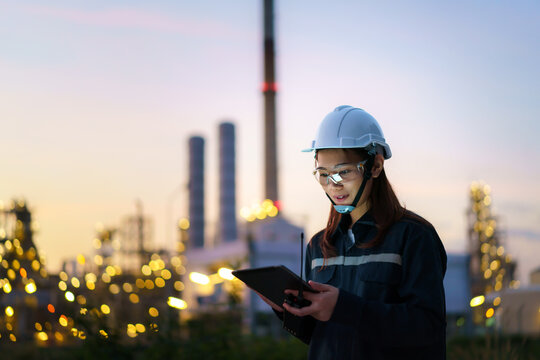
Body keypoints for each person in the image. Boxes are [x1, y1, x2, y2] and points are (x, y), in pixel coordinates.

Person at [258, 105, 447, 359]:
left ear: (375, 166)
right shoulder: (318, 246)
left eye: (343, 172)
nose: (333, 185)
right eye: (323, 174)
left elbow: (428, 328)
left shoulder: (413, 237)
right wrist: (286, 310)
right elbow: (320, 336)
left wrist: (343, 308)